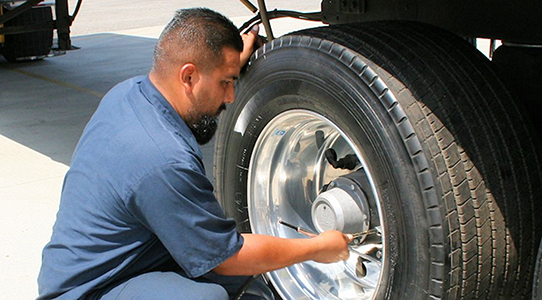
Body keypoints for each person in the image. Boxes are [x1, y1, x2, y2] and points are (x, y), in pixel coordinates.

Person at [37, 7, 352, 300]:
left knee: (248, 279)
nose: (230, 96)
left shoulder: (130, 93)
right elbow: (228, 258)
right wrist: (316, 247)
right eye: (225, 82)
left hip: (113, 263)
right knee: (210, 294)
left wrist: (224, 65)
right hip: (89, 291)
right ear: (188, 77)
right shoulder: (161, 159)